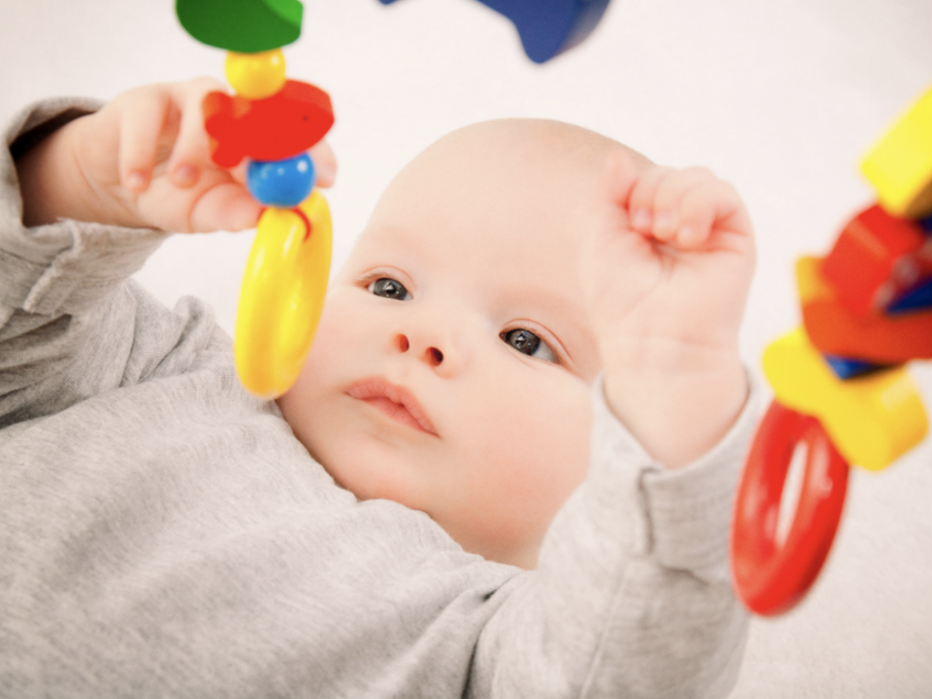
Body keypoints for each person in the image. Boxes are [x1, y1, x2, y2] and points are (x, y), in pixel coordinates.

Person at [1, 78, 757, 697]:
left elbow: (627, 658)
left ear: (611, 478)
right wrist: (77, 182)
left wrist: (676, 383)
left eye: (525, 340)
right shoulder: (163, 365)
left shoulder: (486, 645)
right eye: (389, 285)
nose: (423, 336)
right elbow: (24, 326)